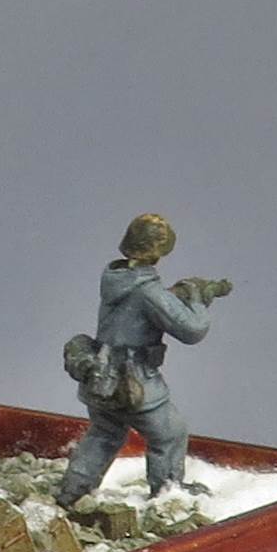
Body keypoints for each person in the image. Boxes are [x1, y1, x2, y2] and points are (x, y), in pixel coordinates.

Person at [54, 213, 217, 506]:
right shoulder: (147, 291)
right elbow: (192, 330)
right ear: (157, 250)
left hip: (100, 376)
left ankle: (73, 490)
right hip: (134, 381)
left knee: (105, 433)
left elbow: (138, 310)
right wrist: (196, 300)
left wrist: (171, 297)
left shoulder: (115, 277)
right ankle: (167, 494)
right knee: (170, 433)